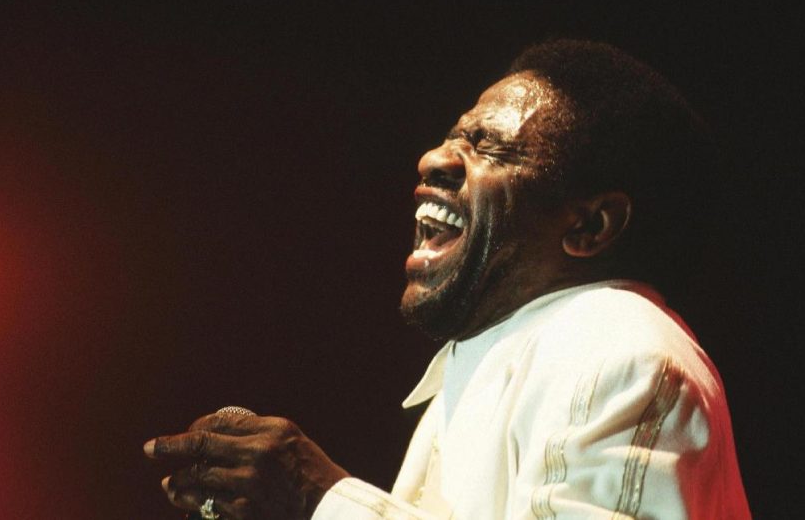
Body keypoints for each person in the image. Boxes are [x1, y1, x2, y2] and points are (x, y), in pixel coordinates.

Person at [144, 39, 752, 519]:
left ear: (590, 226)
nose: (433, 159)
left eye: (489, 147)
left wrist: (319, 499)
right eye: (454, 137)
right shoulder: (506, 358)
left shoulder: (618, 353)